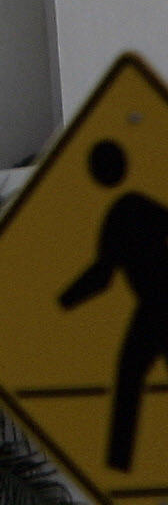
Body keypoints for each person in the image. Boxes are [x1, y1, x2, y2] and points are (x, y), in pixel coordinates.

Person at [60, 139, 168, 469]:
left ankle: (120, 463)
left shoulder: (130, 207)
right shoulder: (122, 211)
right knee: (128, 374)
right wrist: (63, 302)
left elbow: (103, 273)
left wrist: (62, 302)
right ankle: (119, 463)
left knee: (128, 374)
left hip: (159, 303)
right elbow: (104, 274)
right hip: (151, 308)